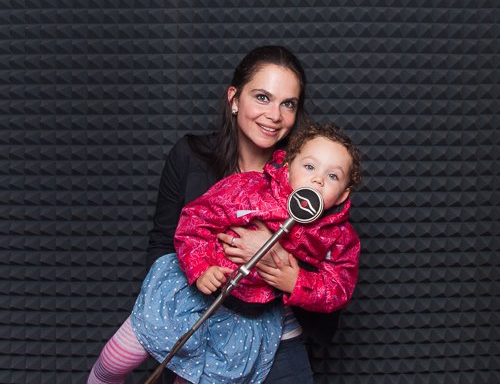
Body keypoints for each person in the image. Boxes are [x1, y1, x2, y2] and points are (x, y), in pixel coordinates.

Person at [88, 46, 341, 383]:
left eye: (288, 104)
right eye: (262, 97)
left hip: (276, 335)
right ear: (234, 98)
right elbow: (163, 243)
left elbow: (330, 264)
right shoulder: (189, 156)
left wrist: (275, 256)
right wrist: (187, 294)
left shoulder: (309, 174)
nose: (274, 115)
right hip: (196, 316)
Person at [126, 124, 361, 382]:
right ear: (288, 166)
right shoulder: (250, 189)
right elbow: (195, 220)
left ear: (343, 195)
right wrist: (200, 268)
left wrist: (296, 282)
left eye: (333, 176)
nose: (318, 179)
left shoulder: (340, 237)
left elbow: (339, 287)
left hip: (256, 321)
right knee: (131, 355)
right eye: (309, 167)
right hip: (205, 297)